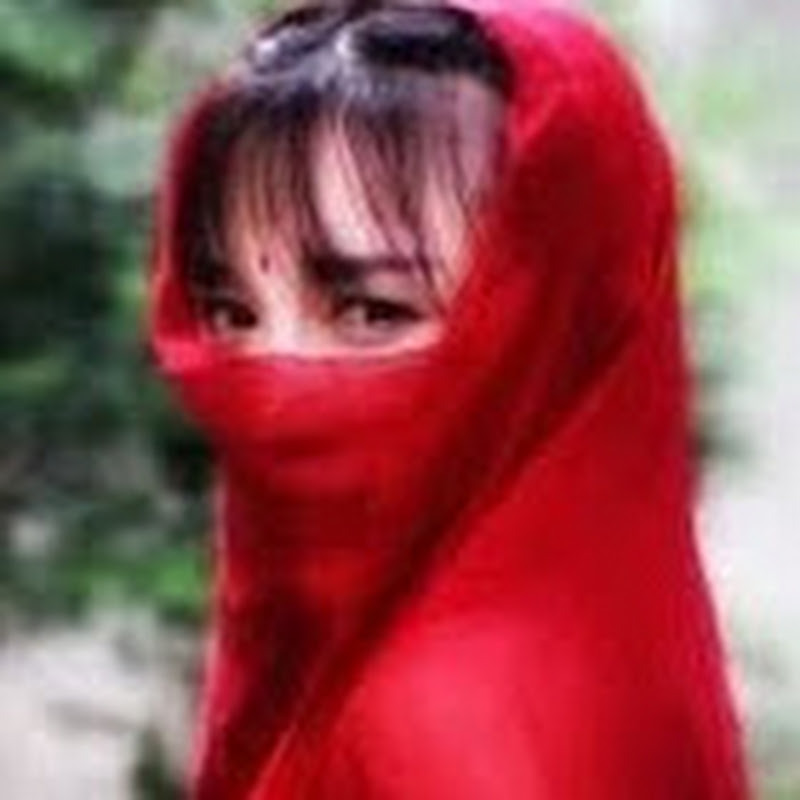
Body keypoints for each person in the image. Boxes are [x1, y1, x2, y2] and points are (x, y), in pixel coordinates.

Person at [147, 1, 754, 798]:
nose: (270, 384)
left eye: (372, 311)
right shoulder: (604, 637)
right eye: (230, 314)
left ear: (559, 325)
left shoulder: (425, 721)